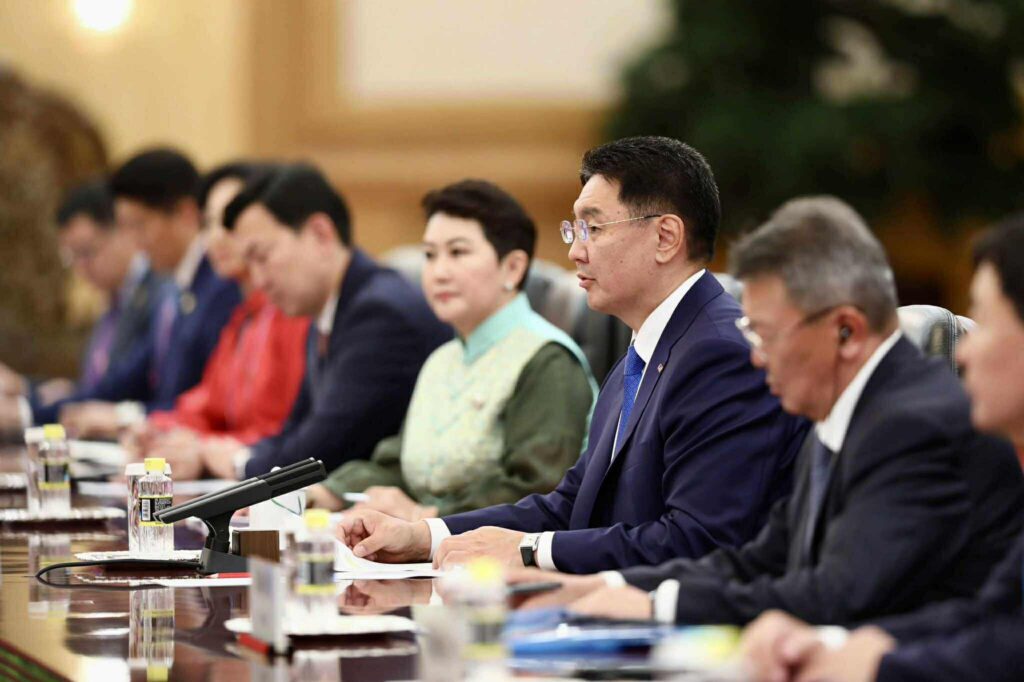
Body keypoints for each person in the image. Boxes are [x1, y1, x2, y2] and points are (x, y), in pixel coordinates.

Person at [507, 197, 1023, 627]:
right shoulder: (841, 416)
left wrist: (656, 605)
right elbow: (759, 560)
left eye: (765, 335)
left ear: (845, 331)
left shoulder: (912, 424)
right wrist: (604, 587)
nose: (755, 357)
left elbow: (837, 595)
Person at [337, 136, 807, 574]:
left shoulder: (719, 354)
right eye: (575, 230)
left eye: (593, 228)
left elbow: (698, 540)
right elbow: (571, 504)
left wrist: (531, 550)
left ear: (666, 237)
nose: (576, 252)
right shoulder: (642, 353)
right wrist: (424, 536)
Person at [741, 214, 1024, 682]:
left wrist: (878, 662)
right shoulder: (830, 426)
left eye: (988, 324)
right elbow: (990, 616)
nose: (964, 352)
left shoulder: (913, 427)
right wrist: (843, 644)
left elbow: (1005, 650)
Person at [305, 179, 596, 520]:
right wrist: (320, 493)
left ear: (513, 267)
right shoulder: (442, 359)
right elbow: (398, 465)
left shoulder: (547, 359)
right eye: (430, 255)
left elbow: (537, 488)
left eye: (457, 253)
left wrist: (427, 516)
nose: (438, 272)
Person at [220, 162, 450, 479]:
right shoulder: (328, 310)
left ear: (321, 234)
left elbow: (319, 453)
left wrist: (237, 463)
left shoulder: (380, 316)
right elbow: (296, 430)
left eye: (263, 256)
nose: (258, 280)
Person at [137, 163, 310, 480]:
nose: (215, 238)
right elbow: (207, 404)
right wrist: (160, 431)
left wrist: (204, 448)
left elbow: (280, 430)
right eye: (208, 223)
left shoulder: (291, 313)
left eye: (230, 223)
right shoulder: (243, 316)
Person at [55, 148, 242, 435]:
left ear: (185, 213)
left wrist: (124, 418)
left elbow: (207, 402)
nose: (133, 242)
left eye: (139, 225)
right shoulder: (173, 288)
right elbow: (127, 380)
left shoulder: (221, 286)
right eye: (126, 227)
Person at [0, 180, 168, 424]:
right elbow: (94, 386)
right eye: (72, 257)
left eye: (87, 252)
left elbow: (117, 389)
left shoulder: (159, 295)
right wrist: (26, 387)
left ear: (123, 231)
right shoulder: (112, 302)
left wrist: (25, 411)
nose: (81, 268)